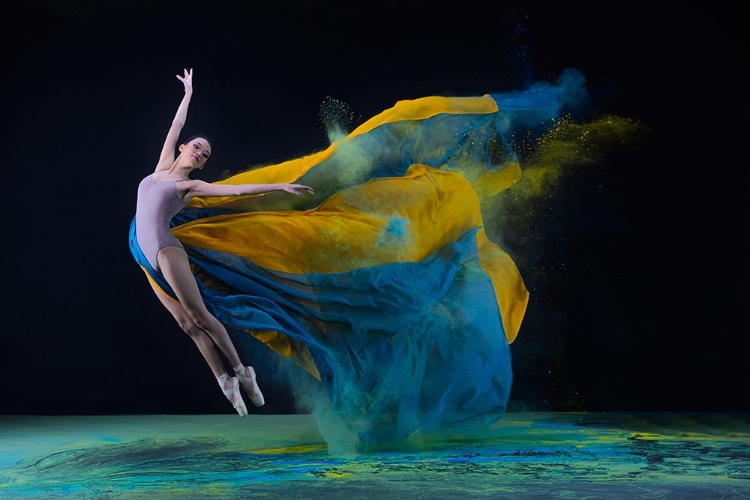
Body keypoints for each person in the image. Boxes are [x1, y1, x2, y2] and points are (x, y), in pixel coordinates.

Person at [131, 68, 315, 416]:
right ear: (184, 148)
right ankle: (224, 381)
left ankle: (243, 372)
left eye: (205, 155)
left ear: (200, 165)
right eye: (197, 147)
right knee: (187, 326)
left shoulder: (187, 186)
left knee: (200, 317)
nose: (199, 153)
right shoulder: (161, 167)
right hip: (144, 255)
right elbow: (175, 126)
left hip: (166, 251)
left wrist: (280, 187)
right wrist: (187, 94)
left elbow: (236, 190)